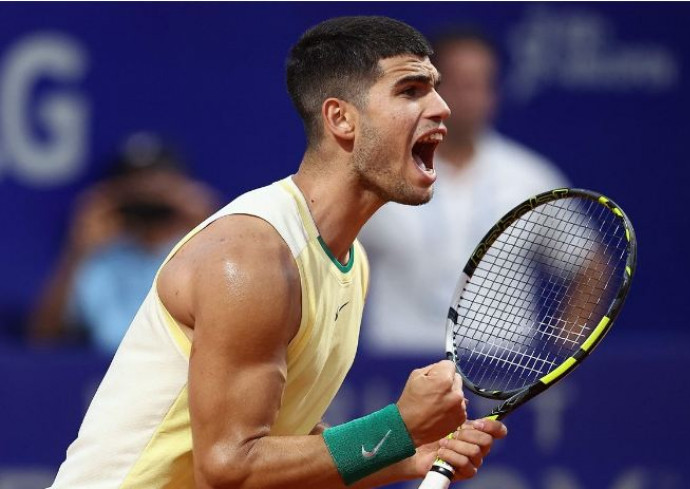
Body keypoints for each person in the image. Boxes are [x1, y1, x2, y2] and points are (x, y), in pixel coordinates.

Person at [49, 17, 507, 489]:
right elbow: (228, 468)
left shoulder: (350, 262)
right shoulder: (251, 260)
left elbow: (282, 441)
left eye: (435, 89)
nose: (442, 107)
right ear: (341, 119)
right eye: (411, 90)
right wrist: (397, 428)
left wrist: (408, 457)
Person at [360, 26, 570, 356]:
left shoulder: (530, 178)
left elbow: (589, 265)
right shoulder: (378, 173)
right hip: (397, 368)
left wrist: (563, 354)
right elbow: (325, 260)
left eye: (480, 85)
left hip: (500, 369)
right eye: (458, 84)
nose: (469, 98)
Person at [30, 133, 219, 354]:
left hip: (185, 366)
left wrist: (212, 230)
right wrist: (77, 250)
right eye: (136, 183)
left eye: (159, 185)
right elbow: (43, 335)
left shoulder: (198, 252)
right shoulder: (102, 258)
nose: (148, 194)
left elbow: (230, 325)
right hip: (109, 367)